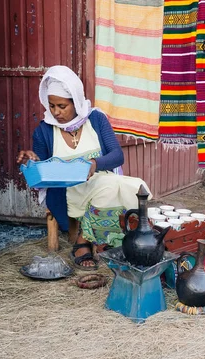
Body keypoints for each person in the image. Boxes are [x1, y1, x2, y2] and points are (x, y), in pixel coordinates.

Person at [17, 65, 150, 270]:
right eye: (52, 106)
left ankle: (93, 238)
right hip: (67, 191)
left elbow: (117, 155)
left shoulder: (96, 119)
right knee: (111, 187)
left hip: (101, 181)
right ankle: (85, 241)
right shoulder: (43, 131)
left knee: (137, 186)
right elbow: (41, 171)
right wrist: (32, 161)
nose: (56, 112)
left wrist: (95, 164)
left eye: (62, 106)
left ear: (76, 102)